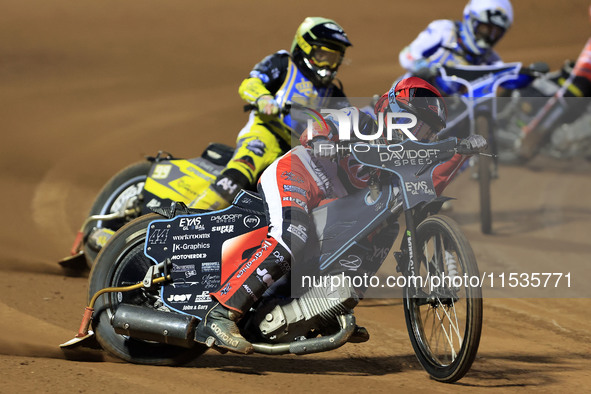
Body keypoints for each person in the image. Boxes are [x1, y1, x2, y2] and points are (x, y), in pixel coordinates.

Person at [193, 77, 488, 354]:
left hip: (330, 207)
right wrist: (321, 139)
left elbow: (430, 186)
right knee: (293, 235)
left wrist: (460, 150)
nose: (418, 132)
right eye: (414, 122)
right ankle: (221, 312)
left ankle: (318, 308)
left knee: (382, 228)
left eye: (426, 130)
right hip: (301, 174)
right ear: (392, 110)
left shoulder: (406, 160)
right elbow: (322, 124)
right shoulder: (363, 121)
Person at [189, 17, 352, 210]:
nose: (328, 66)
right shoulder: (283, 64)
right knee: (240, 173)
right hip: (266, 132)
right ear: (304, 47)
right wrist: (263, 99)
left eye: (334, 60)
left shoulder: (334, 94)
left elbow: (347, 121)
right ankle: (191, 218)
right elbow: (250, 83)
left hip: (298, 151)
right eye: (323, 56)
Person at [398, 0, 513, 89]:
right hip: (410, 99)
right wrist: (422, 68)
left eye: (496, 33)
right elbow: (407, 54)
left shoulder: (490, 59)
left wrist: (528, 74)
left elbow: (506, 76)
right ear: (471, 19)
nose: (488, 37)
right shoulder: (446, 30)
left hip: (447, 113)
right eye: (484, 29)